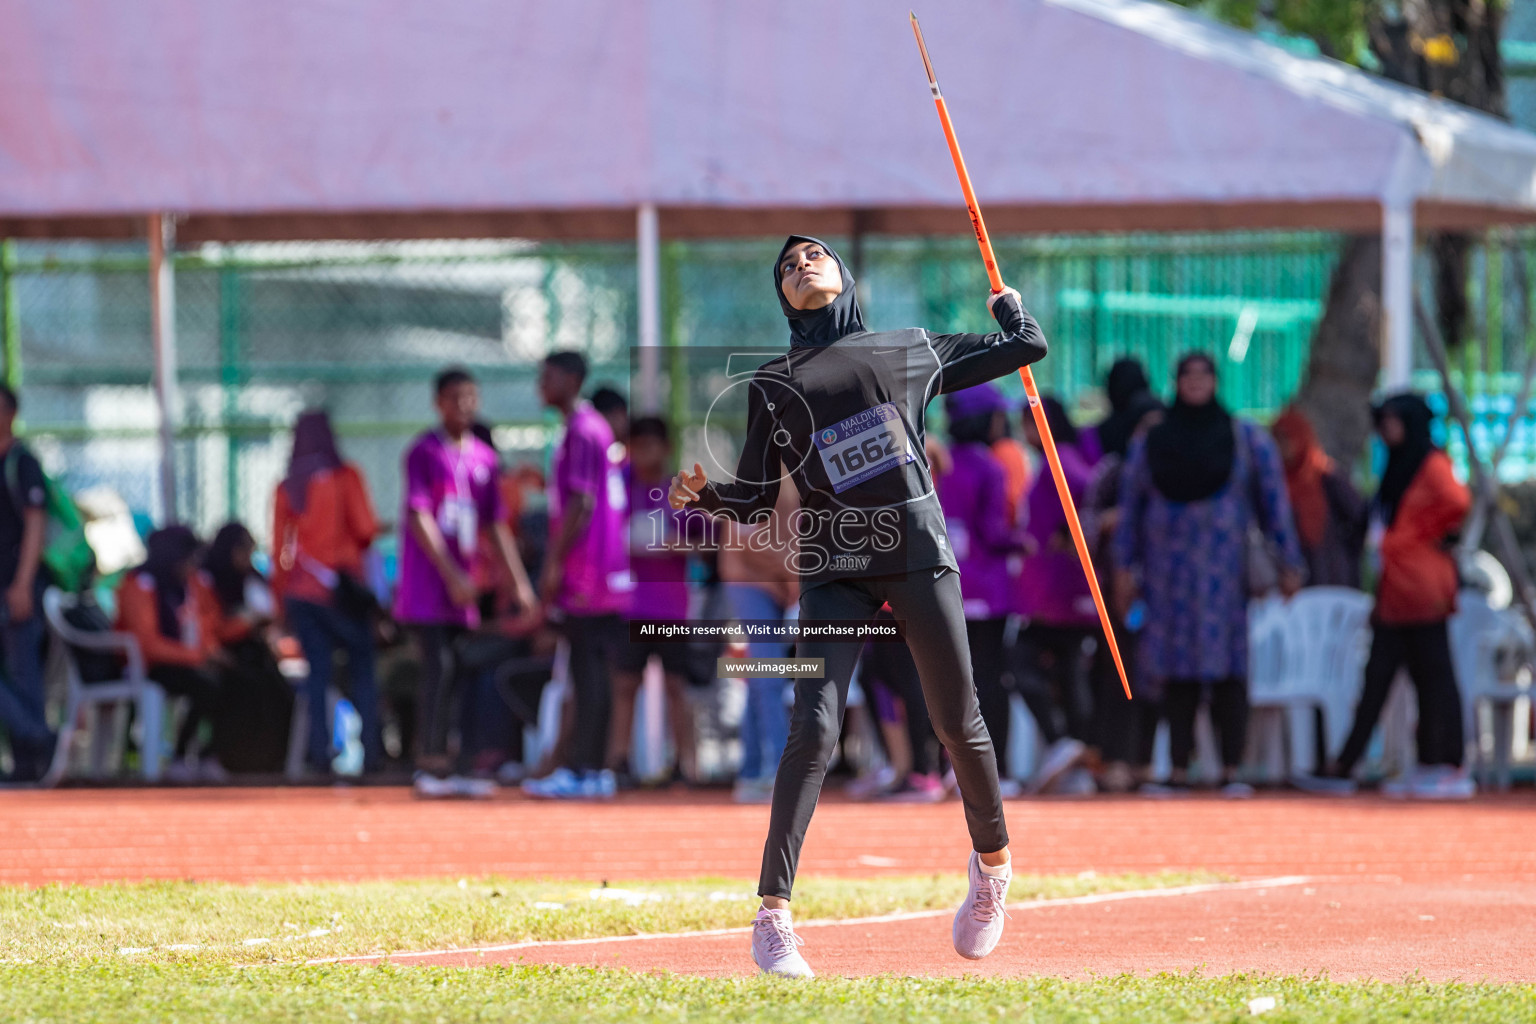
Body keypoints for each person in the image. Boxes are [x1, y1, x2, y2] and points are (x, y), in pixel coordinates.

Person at [669, 235, 1046, 977]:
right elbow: (750, 498)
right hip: (833, 567)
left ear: (843, 274)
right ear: (781, 297)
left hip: (916, 554)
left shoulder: (907, 348)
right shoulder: (772, 384)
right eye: (784, 266)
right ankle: (773, 916)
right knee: (812, 728)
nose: (798, 265)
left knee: (956, 722)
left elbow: (1025, 346)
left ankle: (992, 869)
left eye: (812, 255)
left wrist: (1011, 308)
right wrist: (705, 496)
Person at [1114, 353, 1303, 797]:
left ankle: (1232, 767)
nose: (1196, 383)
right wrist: (1124, 568)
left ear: (1216, 382)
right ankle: (1179, 769)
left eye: (1204, 376)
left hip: (1224, 578)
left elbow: (1275, 504)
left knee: (1228, 671)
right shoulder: (1153, 442)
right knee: (1176, 673)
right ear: (1175, 383)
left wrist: (1289, 561)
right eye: (1187, 376)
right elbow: (1131, 510)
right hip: (1168, 578)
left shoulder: (1244, 440)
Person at [1316, 394, 1473, 799]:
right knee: (1378, 680)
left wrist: (1414, 537)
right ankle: (1348, 764)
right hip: (1394, 591)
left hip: (1423, 590)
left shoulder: (1432, 463)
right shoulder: (1395, 467)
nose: (1386, 430)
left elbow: (1457, 502)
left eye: (1393, 421)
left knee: (1436, 680)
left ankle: (1448, 763)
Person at [395, 368, 538, 798]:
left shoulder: (484, 459)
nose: (464, 406)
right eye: (455, 398)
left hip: (466, 590)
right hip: (430, 585)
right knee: (437, 667)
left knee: (460, 670)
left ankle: (453, 757)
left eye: (471, 397)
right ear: (438, 402)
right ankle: (429, 761)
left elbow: (495, 526)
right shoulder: (423, 452)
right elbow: (419, 516)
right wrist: (450, 572)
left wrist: (518, 584)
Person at [521, 352, 631, 800]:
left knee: (588, 674)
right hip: (599, 573)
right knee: (591, 673)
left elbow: (581, 505)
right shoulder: (586, 430)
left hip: (589, 575)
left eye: (547, 377)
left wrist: (553, 562)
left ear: (571, 379)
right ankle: (591, 769)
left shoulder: (583, 429)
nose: (540, 385)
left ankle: (586, 769)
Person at [272, 410, 386, 777]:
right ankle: (372, 753)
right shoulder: (345, 476)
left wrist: (279, 603)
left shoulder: (289, 485)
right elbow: (365, 528)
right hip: (343, 594)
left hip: (303, 593)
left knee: (317, 676)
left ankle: (319, 755)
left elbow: (279, 551)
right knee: (363, 672)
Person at [936, 383, 1026, 795]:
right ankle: (998, 771)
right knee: (991, 682)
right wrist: (1021, 540)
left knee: (949, 685)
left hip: (943, 589)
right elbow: (992, 531)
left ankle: (950, 769)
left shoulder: (936, 463)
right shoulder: (991, 467)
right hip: (988, 592)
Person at [1009, 395, 1099, 794]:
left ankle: (1066, 743)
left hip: (1058, 592)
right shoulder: (1062, 457)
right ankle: (1075, 757)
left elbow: (1087, 492)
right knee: (1067, 671)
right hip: (1058, 590)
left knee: (1025, 663)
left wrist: (1068, 535)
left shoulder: (1060, 459)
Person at [1080, 362, 1163, 792]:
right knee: (1118, 676)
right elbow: (1087, 524)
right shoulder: (1113, 470)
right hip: (1120, 590)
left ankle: (1144, 763)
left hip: (1166, 590)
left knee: (1154, 679)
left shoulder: (1171, 472)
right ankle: (1112, 760)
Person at [605, 416, 698, 788]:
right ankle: (619, 762)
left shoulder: (683, 491)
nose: (644, 453)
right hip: (629, 605)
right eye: (636, 445)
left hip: (672, 606)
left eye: (650, 444)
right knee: (625, 685)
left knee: (677, 686)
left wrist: (675, 544)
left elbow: (711, 546)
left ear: (666, 447)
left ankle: (685, 765)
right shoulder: (618, 488)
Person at [115, 526, 226, 782]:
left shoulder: (185, 586)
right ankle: (179, 756)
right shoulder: (140, 583)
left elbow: (204, 623)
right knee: (206, 685)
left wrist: (209, 652)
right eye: (189, 560)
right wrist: (197, 657)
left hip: (179, 660)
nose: (192, 567)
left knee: (231, 680)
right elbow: (147, 644)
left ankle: (210, 755)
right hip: (145, 666)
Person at [722, 477, 801, 805]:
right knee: (767, 679)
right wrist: (791, 579)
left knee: (761, 680)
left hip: (770, 587)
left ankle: (753, 771)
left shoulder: (790, 479)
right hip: (749, 585)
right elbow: (747, 542)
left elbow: (791, 539)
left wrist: (790, 580)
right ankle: (781, 773)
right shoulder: (755, 478)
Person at [201, 522, 294, 774]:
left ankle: (268, 761)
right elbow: (211, 629)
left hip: (253, 653)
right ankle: (230, 758)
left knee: (279, 691)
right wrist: (245, 623)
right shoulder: (209, 579)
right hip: (223, 655)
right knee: (241, 687)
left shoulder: (252, 578)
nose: (246, 559)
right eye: (242, 552)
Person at [0, 385, 55, 782]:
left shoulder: (22, 463)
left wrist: (22, 584)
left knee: (24, 674)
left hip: (16, 587)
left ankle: (37, 752)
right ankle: (32, 751)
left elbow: (36, 525)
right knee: (18, 677)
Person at [1270, 407, 1366, 589]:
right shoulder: (1273, 482)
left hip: (1331, 574)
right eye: (1276, 440)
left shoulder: (1327, 477)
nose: (1281, 447)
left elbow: (1359, 519)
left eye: (1286, 439)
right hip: (1292, 579)